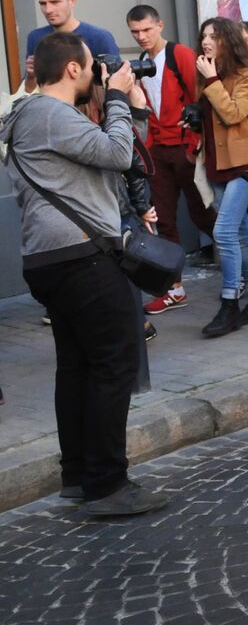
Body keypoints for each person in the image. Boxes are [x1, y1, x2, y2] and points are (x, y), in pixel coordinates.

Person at [0, 33, 167, 516]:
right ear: (72, 69)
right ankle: (107, 484)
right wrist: (115, 95)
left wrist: (126, 106)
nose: (97, 72)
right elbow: (115, 155)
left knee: (77, 369)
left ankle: (78, 475)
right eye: (92, 66)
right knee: (114, 366)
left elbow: (117, 160)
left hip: (54, 259)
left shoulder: (36, 117)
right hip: (81, 258)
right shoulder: (49, 115)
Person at [126, 4, 217, 316]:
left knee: (205, 215)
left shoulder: (180, 55)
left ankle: (242, 274)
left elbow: (201, 98)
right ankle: (174, 289)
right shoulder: (140, 63)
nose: (141, 36)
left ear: (160, 25)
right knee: (162, 219)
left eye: (146, 30)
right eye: (135, 31)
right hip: (157, 152)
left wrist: (195, 142)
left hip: (184, 148)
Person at [196, 17, 248, 337]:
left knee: (224, 233)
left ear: (228, 39)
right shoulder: (211, 73)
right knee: (242, 234)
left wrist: (211, 79)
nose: (206, 42)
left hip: (243, 165)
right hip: (216, 164)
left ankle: (230, 303)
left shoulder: (246, 74)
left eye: (213, 36)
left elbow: (234, 114)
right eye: (203, 37)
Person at [22, 0, 120, 95]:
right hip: (50, 108)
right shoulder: (35, 37)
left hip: (94, 109)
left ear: (72, 1)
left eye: (55, 2)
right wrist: (31, 77)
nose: (48, 10)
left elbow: (118, 83)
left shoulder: (99, 37)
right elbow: (28, 91)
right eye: (43, 3)